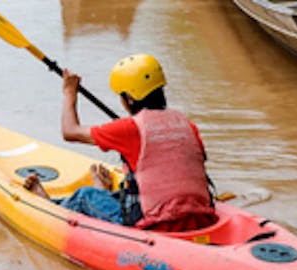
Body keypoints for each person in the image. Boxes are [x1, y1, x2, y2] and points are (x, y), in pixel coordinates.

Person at [57, 53, 216, 232]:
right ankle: (104, 191)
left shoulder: (130, 128)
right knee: (122, 193)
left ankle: (47, 204)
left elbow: (70, 131)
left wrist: (70, 92)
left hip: (154, 225)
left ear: (130, 99)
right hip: (201, 218)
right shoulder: (188, 125)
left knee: (84, 196)